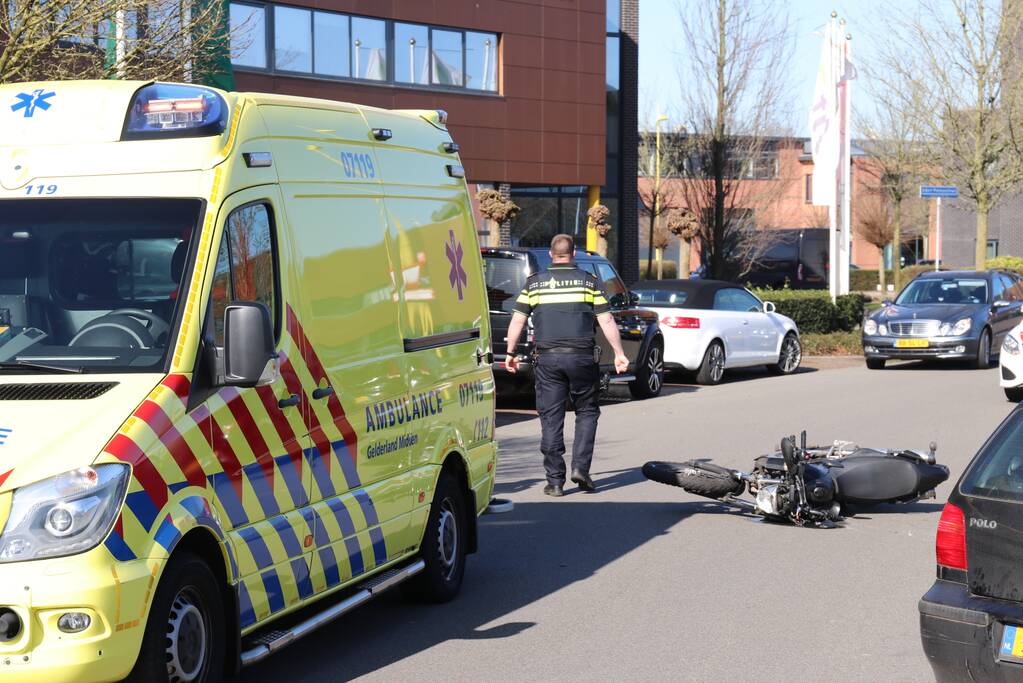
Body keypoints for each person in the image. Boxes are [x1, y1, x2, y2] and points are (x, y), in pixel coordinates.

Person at [505, 234, 629, 496]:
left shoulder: (534, 284)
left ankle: (555, 481)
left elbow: (517, 320)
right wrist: (619, 353)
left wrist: (510, 352)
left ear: (551, 255)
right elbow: (606, 320)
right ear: (573, 254)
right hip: (582, 357)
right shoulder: (589, 282)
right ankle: (581, 468)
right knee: (587, 411)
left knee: (551, 416)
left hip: (547, 358)